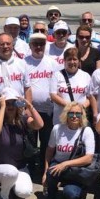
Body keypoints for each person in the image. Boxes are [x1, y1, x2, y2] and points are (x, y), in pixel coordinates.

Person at [0, 90, 43, 199]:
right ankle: (3, 197)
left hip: (20, 167)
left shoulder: (23, 120)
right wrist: (2, 107)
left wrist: (29, 106)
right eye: (7, 103)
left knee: (24, 192)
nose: (10, 106)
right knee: (11, 172)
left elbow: (39, 125)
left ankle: (10, 186)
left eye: (13, 103)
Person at [42, 102, 95, 199]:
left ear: (82, 115)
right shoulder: (57, 128)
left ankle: (80, 191)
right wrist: (45, 173)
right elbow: (49, 151)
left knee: (70, 195)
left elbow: (89, 158)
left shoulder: (86, 131)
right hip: (58, 165)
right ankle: (51, 194)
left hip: (76, 169)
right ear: (66, 114)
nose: (74, 116)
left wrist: (66, 164)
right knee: (51, 173)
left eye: (78, 114)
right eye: (71, 113)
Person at [24, 31, 59, 175]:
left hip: (48, 110)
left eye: (41, 44)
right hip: (30, 110)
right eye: (35, 44)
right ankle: (30, 169)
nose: (38, 47)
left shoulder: (53, 63)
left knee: (47, 142)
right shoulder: (24, 62)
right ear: (30, 45)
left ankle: (43, 170)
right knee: (30, 142)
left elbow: (59, 84)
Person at [50, 48, 92, 126]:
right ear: (64, 61)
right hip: (61, 119)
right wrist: (70, 107)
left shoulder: (86, 76)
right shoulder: (57, 75)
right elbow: (53, 95)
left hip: (79, 118)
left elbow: (90, 98)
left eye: (75, 59)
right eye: (69, 59)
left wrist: (81, 107)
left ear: (79, 61)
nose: (72, 62)